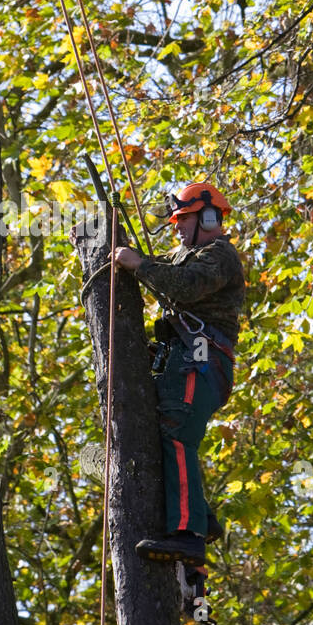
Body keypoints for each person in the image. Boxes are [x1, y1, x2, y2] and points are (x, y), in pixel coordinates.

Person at [114, 180, 245, 596]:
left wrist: (137, 265)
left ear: (207, 218)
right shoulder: (184, 254)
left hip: (202, 357)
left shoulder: (218, 254)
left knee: (176, 431)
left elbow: (184, 286)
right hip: (186, 355)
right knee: (165, 435)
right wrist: (132, 259)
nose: (175, 229)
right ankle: (199, 524)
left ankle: (188, 531)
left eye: (181, 220)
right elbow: (161, 268)